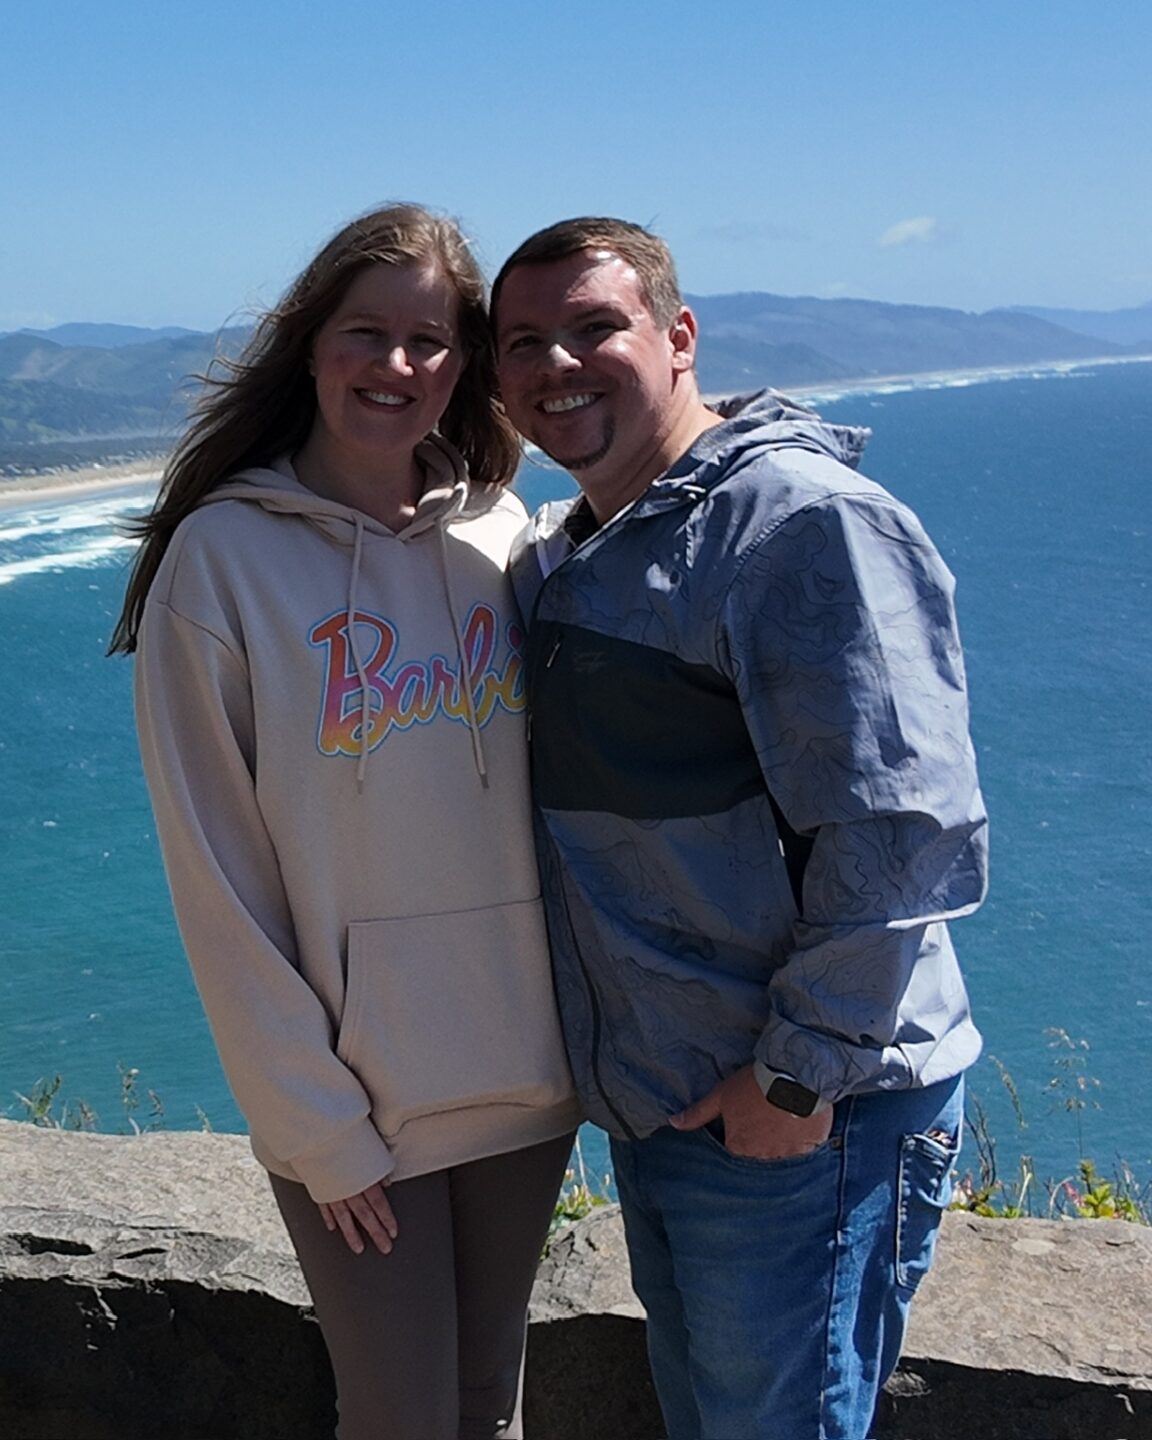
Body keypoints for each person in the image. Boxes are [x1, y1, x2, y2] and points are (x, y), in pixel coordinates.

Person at [491, 217, 986, 1440]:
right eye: (522, 343)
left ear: (677, 335)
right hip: (681, 1106)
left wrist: (793, 1078)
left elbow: (900, 832)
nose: (557, 361)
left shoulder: (796, 525)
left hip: (795, 1117)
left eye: (594, 326)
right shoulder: (583, 552)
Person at [116, 202, 580, 1440]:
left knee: (489, 1406)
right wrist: (317, 1124)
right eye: (366, 333)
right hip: (359, 1099)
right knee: (400, 1417)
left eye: (430, 342)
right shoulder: (219, 564)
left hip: (523, 1073)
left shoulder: (504, 538)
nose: (396, 367)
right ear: (311, 346)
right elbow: (214, 873)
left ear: (464, 365)